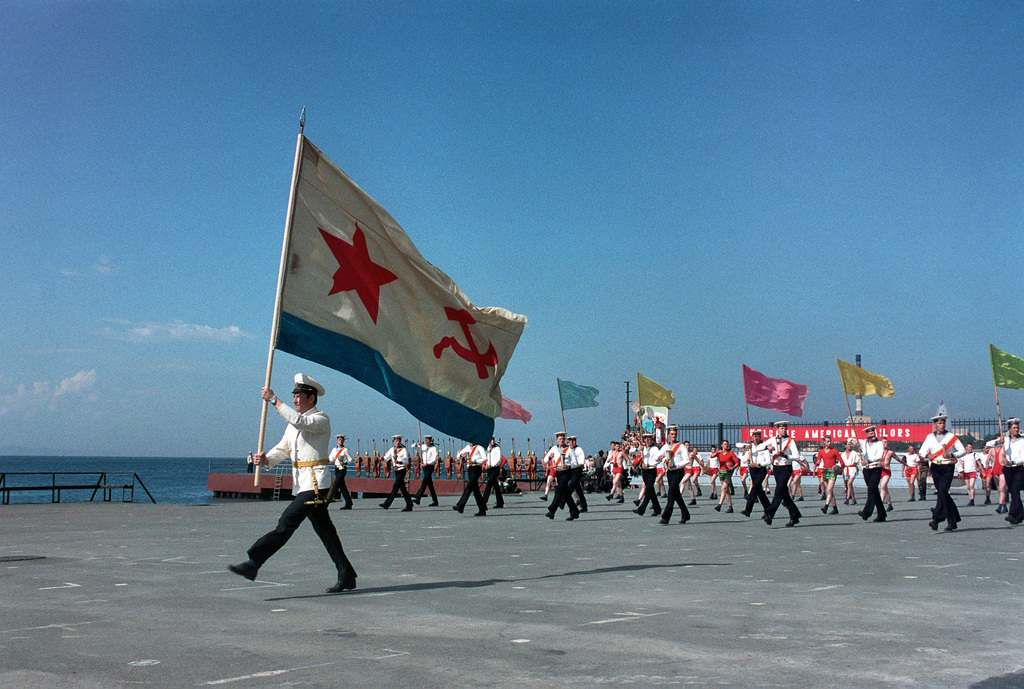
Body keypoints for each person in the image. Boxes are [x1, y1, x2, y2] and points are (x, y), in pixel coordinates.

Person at [229, 374, 357, 593]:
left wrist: (274, 400)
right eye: (294, 396)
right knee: (326, 531)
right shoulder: (294, 423)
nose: (295, 400)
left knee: (286, 523)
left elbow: (300, 421)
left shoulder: (320, 419)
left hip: (315, 485)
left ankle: (253, 562)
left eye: (299, 396)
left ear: (312, 398)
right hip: (304, 485)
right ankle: (347, 575)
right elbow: (284, 448)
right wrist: (266, 459)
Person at [919, 413, 967, 531]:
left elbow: (963, 451)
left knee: (942, 491)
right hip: (936, 467)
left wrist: (951, 454)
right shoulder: (930, 437)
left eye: (943, 423)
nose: (942, 425)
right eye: (939, 423)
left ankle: (937, 519)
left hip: (947, 467)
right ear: (934, 425)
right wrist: (927, 455)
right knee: (943, 494)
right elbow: (921, 452)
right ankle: (953, 520)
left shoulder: (951, 436)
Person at [763, 421, 802, 527]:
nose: (784, 430)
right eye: (782, 428)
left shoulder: (790, 441)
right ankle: (795, 515)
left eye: (785, 428)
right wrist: (767, 448)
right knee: (784, 493)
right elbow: (760, 447)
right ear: (778, 429)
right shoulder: (773, 440)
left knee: (779, 490)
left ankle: (769, 513)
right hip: (776, 467)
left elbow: (797, 456)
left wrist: (786, 456)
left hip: (786, 467)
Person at [660, 426, 691, 524]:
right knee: (676, 494)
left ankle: (665, 517)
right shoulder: (666, 446)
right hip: (670, 472)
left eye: (675, 434)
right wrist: (662, 459)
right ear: (668, 435)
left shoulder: (681, 446)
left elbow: (687, 460)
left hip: (678, 471)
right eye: (671, 434)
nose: (673, 436)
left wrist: (675, 464)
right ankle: (685, 514)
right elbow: (660, 457)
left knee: (671, 493)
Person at [857, 426, 889, 523]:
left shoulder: (879, 444)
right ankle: (882, 514)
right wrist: (853, 442)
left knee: (871, 489)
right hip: (866, 470)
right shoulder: (864, 443)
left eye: (874, 433)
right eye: (870, 434)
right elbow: (850, 440)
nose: (873, 435)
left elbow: (879, 457)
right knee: (874, 492)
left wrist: (868, 461)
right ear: (867, 435)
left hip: (876, 468)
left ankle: (867, 512)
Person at [545, 435, 579, 521]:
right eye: (560, 439)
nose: (562, 440)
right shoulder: (553, 449)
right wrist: (549, 457)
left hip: (566, 472)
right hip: (558, 472)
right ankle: (574, 512)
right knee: (566, 494)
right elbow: (545, 460)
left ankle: (552, 510)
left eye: (563, 439)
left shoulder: (569, 449)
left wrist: (568, 465)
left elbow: (575, 462)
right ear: (557, 440)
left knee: (558, 489)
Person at [740, 430, 772, 518]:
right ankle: (768, 509)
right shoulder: (751, 446)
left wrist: (758, 465)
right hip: (753, 470)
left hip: (761, 469)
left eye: (758, 436)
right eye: (754, 436)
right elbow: (737, 445)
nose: (756, 438)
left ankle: (748, 509)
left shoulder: (764, 446)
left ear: (760, 437)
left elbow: (768, 461)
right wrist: (746, 446)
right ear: (752, 437)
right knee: (759, 491)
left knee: (755, 487)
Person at [379, 435, 413, 511]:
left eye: (399, 441)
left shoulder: (403, 450)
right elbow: (386, 458)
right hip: (396, 470)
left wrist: (400, 462)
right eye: (396, 441)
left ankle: (387, 503)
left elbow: (406, 461)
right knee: (403, 489)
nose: (397, 443)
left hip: (402, 469)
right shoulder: (391, 450)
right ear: (394, 441)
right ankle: (409, 504)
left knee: (395, 486)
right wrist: (382, 458)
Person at [454, 441, 488, 516]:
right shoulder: (467, 447)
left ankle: (460, 505)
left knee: (469, 486)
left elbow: (485, 458)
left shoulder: (479, 447)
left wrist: (475, 461)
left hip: (476, 468)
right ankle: (482, 508)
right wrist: (461, 455)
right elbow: (458, 455)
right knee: (475, 490)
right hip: (470, 469)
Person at [633, 433, 663, 518]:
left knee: (648, 488)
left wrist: (649, 464)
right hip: (644, 471)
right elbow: (631, 451)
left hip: (651, 470)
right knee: (651, 491)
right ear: (645, 440)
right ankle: (657, 509)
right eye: (647, 439)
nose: (648, 441)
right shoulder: (644, 449)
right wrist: (638, 449)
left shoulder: (655, 449)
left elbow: (658, 460)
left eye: (650, 439)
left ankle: (642, 508)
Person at [1001, 417, 1024, 525]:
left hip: (1018, 469)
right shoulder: (1005, 440)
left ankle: (1012, 514)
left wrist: (1013, 462)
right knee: (1012, 492)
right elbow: (988, 445)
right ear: (1009, 429)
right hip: (1008, 470)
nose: (1016, 429)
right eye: (1014, 427)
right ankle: (1019, 516)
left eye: (1017, 427)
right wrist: (998, 441)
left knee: (1015, 490)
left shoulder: (1022, 441)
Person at [712, 440, 739, 513]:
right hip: (721, 472)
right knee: (726, 491)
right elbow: (712, 456)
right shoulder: (719, 452)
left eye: (727, 444)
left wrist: (732, 468)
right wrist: (717, 452)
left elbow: (737, 462)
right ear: (722, 445)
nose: (726, 445)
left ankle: (719, 505)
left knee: (723, 488)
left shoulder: (731, 453)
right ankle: (730, 507)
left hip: (728, 472)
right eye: (724, 444)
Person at [411, 435, 439, 506]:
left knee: (424, 481)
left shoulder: (434, 448)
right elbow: (413, 446)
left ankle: (418, 497)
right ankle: (435, 501)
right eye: (426, 440)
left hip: (430, 466)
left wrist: (426, 463)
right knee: (430, 485)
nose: (427, 441)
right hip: (424, 467)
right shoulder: (423, 447)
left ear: (431, 440)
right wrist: (417, 444)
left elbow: (434, 459)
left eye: (428, 440)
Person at [327, 434, 353, 509]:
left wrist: (345, 463)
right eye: (339, 440)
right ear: (337, 441)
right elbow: (331, 459)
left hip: (342, 469)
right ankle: (349, 503)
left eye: (342, 440)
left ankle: (327, 502)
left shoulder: (345, 450)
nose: (340, 441)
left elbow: (350, 459)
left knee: (335, 485)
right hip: (336, 469)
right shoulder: (334, 450)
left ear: (343, 441)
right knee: (342, 487)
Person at [817, 436, 842, 515]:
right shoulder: (821, 451)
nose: (829, 443)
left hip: (832, 471)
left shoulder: (834, 451)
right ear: (824, 442)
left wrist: (840, 469)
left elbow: (841, 461)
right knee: (830, 491)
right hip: (825, 471)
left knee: (829, 489)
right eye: (827, 441)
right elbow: (818, 460)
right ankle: (835, 508)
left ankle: (826, 506)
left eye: (830, 441)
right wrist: (817, 462)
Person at [480, 437, 506, 509]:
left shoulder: (497, 448)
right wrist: (485, 464)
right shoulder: (487, 448)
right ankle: (500, 502)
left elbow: (498, 460)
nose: (493, 441)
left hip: (495, 468)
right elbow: (486, 457)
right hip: (489, 469)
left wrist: (491, 465)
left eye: (493, 439)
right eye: (491, 439)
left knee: (489, 483)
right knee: (495, 486)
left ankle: (483, 501)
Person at [566, 436, 588, 513]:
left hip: (577, 469)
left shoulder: (579, 449)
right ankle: (584, 506)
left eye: (574, 441)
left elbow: (582, 459)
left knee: (571, 485)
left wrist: (578, 464)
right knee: (578, 489)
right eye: (571, 441)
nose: (573, 442)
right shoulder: (567, 450)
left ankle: (563, 499)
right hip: (570, 470)